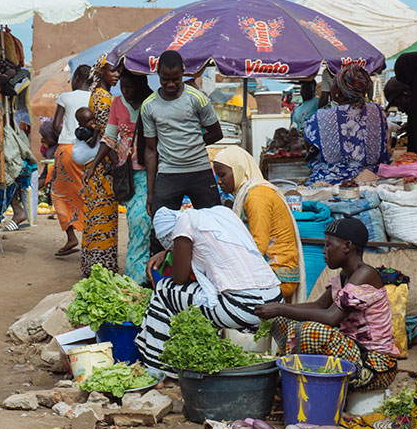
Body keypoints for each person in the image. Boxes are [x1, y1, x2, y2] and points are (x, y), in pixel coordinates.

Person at [255, 218, 398, 391]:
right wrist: (275, 309)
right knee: (280, 320)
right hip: (353, 354)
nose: (323, 251)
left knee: (310, 331)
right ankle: (295, 378)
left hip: (375, 365)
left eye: (328, 245)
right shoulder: (342, 277)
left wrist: (280, 308)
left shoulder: (365, 275)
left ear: (346, 246)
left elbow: (331, 317)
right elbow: (319, 305)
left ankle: (302, 385)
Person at [136, 206, 282, 374]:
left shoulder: (185, 222)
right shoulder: (222, 213)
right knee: (198, 294)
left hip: (242, 306)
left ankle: (157, 368)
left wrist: (175, 253)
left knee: (163, 289)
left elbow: (179, 278)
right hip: (274, 298)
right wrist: (169, 251)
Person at [141, 50, 223, 249]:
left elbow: (216, 133)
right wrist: (150, 192)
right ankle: (159, 279)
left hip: (200, 172)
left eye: (176, 79)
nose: (170, 84)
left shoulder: (197, 99)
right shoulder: (149, 106)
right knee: (160, 232)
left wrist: (192, 145)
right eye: (165, 79)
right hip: (168, 175)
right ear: (158, 75)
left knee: (214, 227)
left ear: (183, 73)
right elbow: (151, 151)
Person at [86, 69, 153, 284]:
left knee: (144, 221)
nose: (125, 91)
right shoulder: (117, 103)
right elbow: (109, 139)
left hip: (151, 172)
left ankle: (142, 275)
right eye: (122, 88)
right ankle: (138, 275)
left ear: (140, 85)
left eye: (129, 87)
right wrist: (93, 166)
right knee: (136, 222)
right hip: (128, 173)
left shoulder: (152, 102)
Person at [212, 145, 305, 300]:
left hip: (278, 275)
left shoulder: (256, 197)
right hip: (272, 271)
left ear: (239, 169)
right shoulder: (249, 193)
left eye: (222, 175)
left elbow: (257, 245)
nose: (219, 182)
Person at [303, 64, 389, 185]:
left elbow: (308, 146)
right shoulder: (378, 111)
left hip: (331, 181)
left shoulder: (321, 116)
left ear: (338, 90)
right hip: (372, 178)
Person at [80, 54, 120, 276]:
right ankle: (101, 268)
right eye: (112, 70)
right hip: (104, 167)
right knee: (103, 217)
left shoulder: (96, 94)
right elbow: (109, 136)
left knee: (96, 216)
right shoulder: (104, 98)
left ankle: (92, 266)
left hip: (99, 166)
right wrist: (117, 164)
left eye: (118, 71)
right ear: (101, 71)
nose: (116, 75)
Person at [49, 65, 91, 256]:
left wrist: (66, 135)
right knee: (87, 192)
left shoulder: (65, 97)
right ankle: (91, 235)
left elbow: (56, 125)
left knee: (59, 193)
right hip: (90, 150)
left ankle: (71, 237)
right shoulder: (96, 97)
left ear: (75, 80)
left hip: (67, 149)